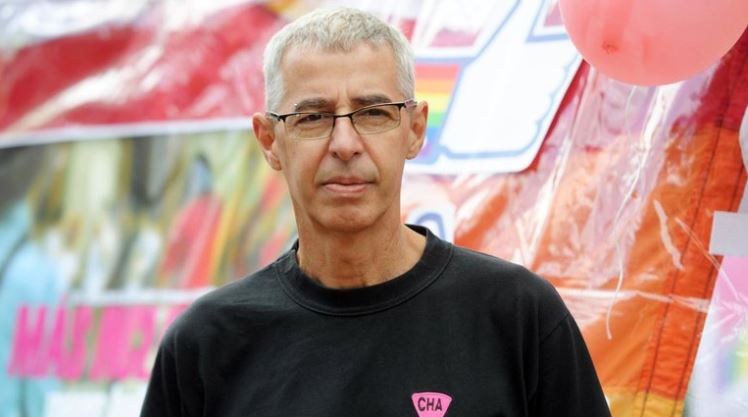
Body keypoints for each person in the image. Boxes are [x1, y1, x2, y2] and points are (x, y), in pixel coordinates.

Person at [140, 7, 611, 417]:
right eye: (313, 117)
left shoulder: (517, 317)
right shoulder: (206, 346)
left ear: (415, 128)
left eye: (373, 113)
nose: (345, 144)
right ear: (269, 141)